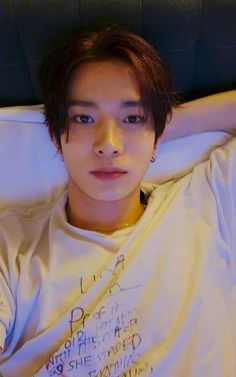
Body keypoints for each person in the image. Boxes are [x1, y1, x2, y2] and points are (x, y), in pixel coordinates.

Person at [0, 26, 235, 377]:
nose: (108, 143)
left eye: (131, 118)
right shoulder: (12, 245)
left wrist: (162, 125)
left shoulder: (209, 201)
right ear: (55, 134)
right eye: (84, 118)